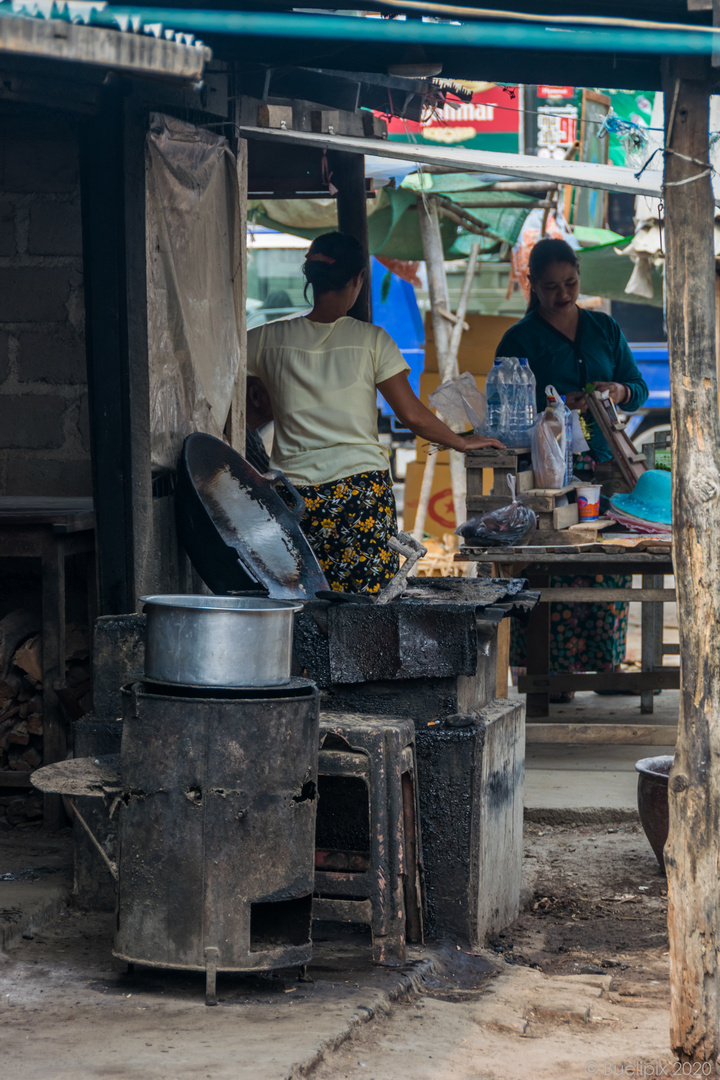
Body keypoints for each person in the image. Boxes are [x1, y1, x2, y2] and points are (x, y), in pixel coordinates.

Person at [247, 231, 503, 594]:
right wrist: (461, 442)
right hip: (361, 495)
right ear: (357, 281)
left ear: (311, 279)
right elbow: (412, 416)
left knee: (306, 601)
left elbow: (225, 376)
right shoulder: (373, 341)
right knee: (370, 607)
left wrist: (262, 398)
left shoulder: (264, 340)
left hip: (298, 498)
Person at [495, 237, 650, 700]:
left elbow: (639, 387)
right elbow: (505, 409)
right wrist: (555, 409)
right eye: (551, 287)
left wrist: (618, 392)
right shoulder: (519, 340)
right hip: (549, 470)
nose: (563, 294)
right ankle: (546, 674)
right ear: (532, 286)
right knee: (553, 561)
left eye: (571, 283)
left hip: (605, 461)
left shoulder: (604, 328)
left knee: (607, 561)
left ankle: (605, 667)